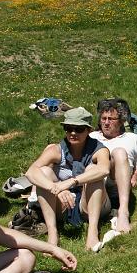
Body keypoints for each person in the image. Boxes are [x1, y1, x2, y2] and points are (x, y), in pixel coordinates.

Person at [25, 107, 111, 251]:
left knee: (93, 171)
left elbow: (104, 169)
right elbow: (31, 172)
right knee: (44, 172)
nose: (72, 133)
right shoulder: (56, 150)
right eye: (68, 128)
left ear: (89, 130)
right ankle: (53, 233)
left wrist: (70, 182)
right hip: (65, 203)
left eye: (79, 129)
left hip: (91, 203)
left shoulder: (99, 148)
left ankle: (92, 231)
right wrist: (55, 188)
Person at [89, 99, 137, 233]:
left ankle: (123, 211)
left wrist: (135, 177)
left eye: (111, 119)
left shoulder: (133, 138)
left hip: (118, 186)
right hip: (97, 185)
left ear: (120, 121)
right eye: (103, 119)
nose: (106, 123)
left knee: (119, 153)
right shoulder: (91, 137)